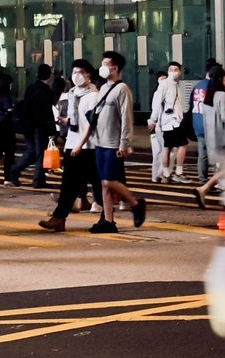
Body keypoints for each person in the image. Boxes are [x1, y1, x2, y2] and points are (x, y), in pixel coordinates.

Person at [89, 51, 146, 234]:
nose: (102, 67)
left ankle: (136, 203)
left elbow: (127, 118)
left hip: (113, 144)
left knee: (108, 182)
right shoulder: (104, 87)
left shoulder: (123, 90)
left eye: (105, 64)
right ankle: (108, 220)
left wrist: (125, 143)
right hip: (100, 142)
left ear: (115, 68)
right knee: (103, 183)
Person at [39, 59, 99, 232]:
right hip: (73, 142)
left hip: (87, 146)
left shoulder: (93, 96)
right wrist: (66, 121)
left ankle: (127, 206)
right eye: (73, 72)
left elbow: (91, 124)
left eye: (80, 72)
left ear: (88, 75)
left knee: (98, 183)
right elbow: (78, 119)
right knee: (71, 183)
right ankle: (59, 218)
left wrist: (79, 145)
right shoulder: (72, 94)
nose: (76, 76)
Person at [8, 63, 56, 189]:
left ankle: (15, 170)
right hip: (39, 126)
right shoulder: (45, 91)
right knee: (40, 152)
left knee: (32, 151)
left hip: (28, 125)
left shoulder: (31, 87)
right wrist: (52, 129)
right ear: (49, 75)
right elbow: (47, 112)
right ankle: (38, 179)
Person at [192, 67, 225, 208]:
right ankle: (222, 199)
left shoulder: (207, 96)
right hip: (222, 137)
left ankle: (205, 189)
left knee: (220, 170)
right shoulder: (222, 95)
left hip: (210, 138)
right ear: (221, 79)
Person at [150, 61, 190, 183]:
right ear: (168, 71)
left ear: (180, 72)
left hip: (170, 121)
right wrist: (153, 119)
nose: (173, 72)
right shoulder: (165, 84)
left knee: (167, 147)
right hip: (172, 121)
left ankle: (166, 174)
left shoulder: (174, 85)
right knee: (182, 145)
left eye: (176, 69)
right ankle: (178, 172)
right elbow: (157, 103)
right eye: (171, 69)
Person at [190, 61, 217, 186]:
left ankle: (202, 179)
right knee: (217, 154)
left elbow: (191, 105)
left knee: (202, 154)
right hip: (210, 124)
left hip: (198, 123)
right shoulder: (212, 86)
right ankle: (216, 181)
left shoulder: (197, 86)